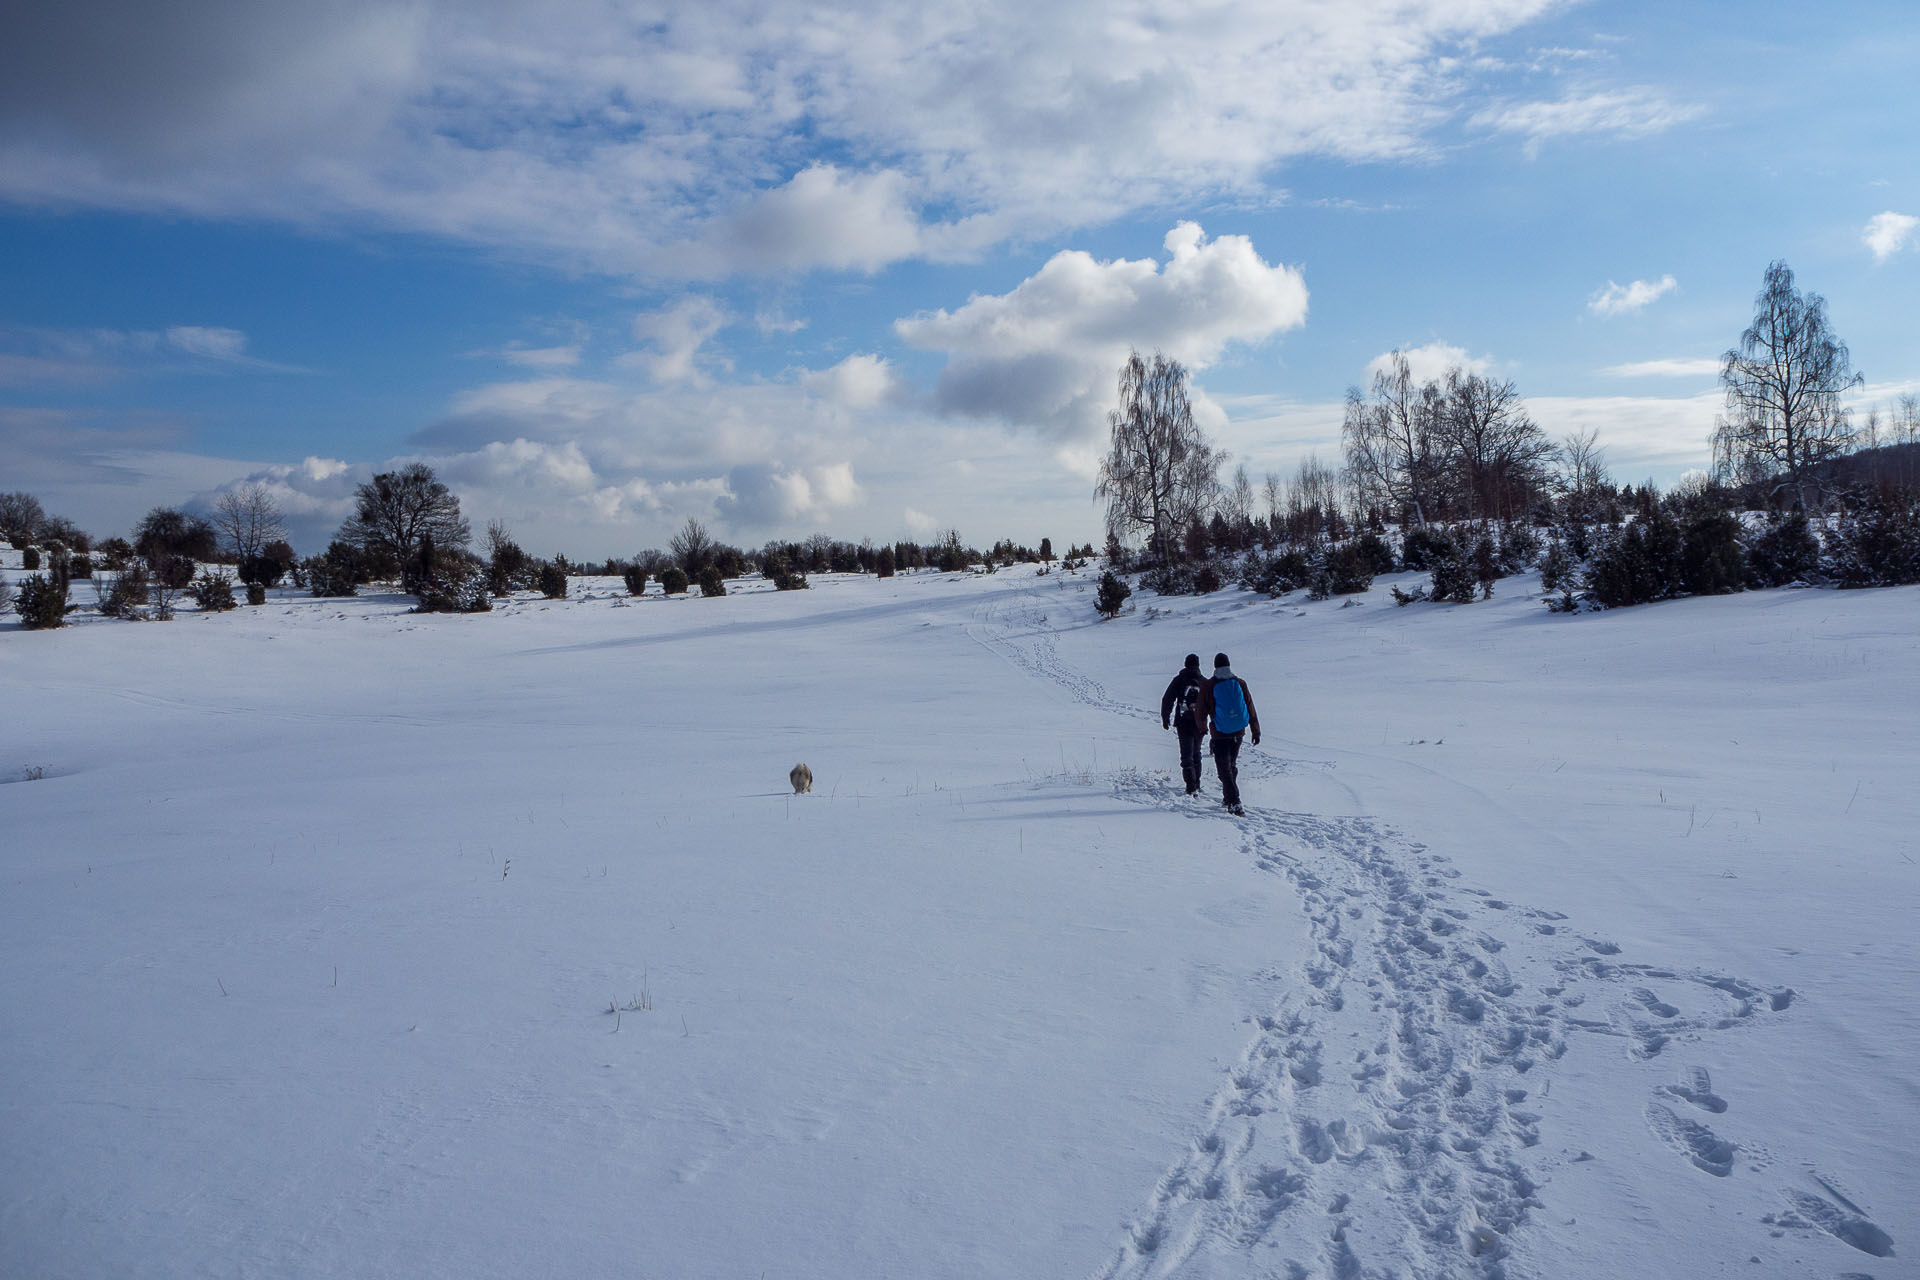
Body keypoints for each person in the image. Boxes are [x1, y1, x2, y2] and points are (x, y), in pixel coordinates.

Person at [1196, 652, 1260, 815]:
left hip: (1220, 733)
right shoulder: (1240, 683)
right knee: (1230, 766)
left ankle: (1234, 802)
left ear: (1215, 666)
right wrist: (1255, 730)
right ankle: (1228, 796)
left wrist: (1202, 728)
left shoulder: (1209, 685)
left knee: (1224, 769)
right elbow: (1250, 706)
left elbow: (1200, 710)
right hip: (1238, 733)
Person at [1160, 653, 1207, 795]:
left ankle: (1191, 786)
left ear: (1185, 664)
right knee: (1196, 753)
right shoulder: (1203, 681)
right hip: (1200, 723)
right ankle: (1197, 784)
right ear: (1198, 665)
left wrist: (1165, 717)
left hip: (1183, 722)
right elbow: (1211, 703)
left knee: (1186, 755)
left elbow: (1167, 698)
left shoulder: (1179, 680)